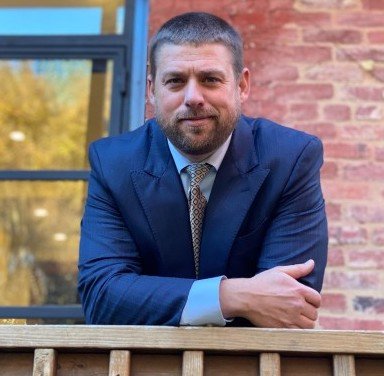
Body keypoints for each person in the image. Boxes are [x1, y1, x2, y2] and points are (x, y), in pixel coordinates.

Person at [78, 12, 328, 328]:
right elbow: (102, 299)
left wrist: (156, 300)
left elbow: (290, 305)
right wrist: (235, 295)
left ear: (242, 85)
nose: (193, 98)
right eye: (176, 81)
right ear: (152, 89)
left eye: (210, 79)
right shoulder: (113, 163)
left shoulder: (291, 158)